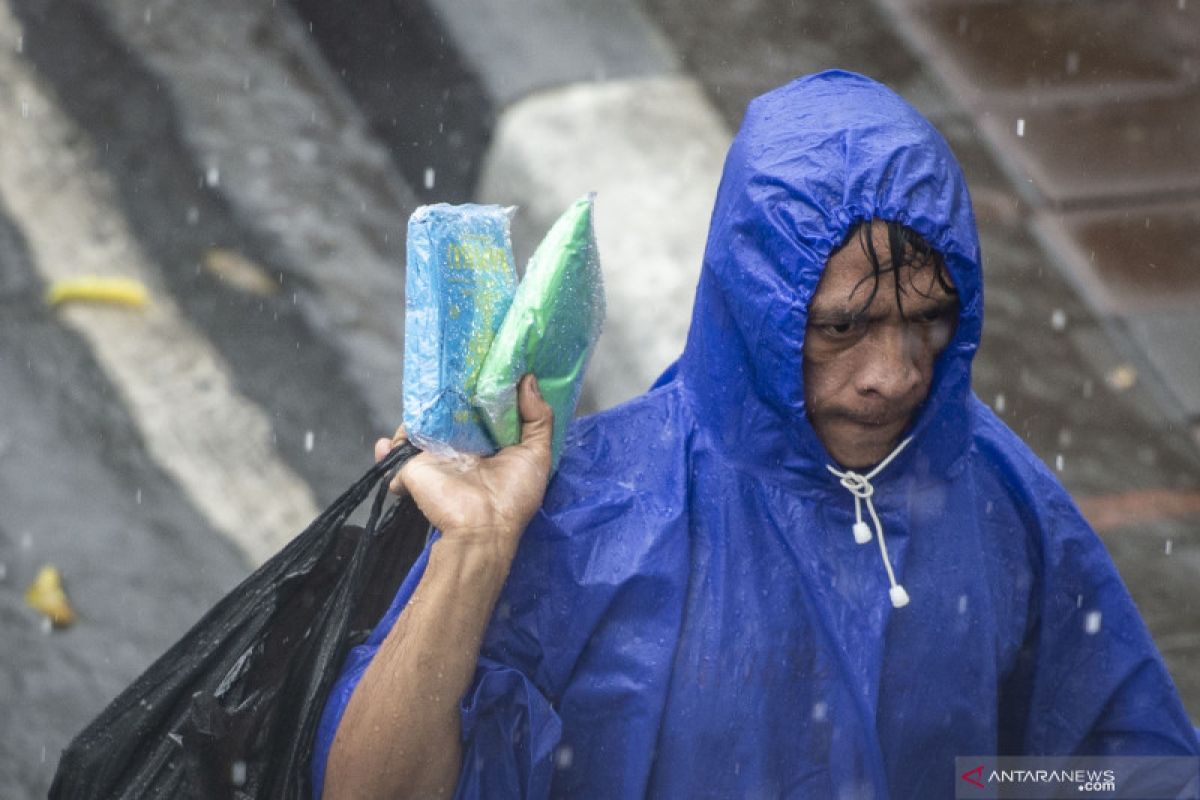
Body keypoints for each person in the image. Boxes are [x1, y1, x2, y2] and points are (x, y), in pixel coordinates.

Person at [313, 71, 1199, 798]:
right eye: (842, 329)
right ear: (757, 314)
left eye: (926, 321)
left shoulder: (993, 488)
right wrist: (473, 550)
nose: (894, 374)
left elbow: (1109, 767)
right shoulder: (592, 521)